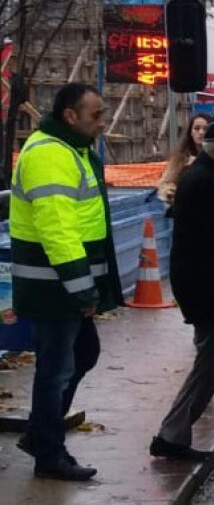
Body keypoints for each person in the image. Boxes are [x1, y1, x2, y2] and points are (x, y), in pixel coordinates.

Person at [11, 83, 123, 481]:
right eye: (96, 114)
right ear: (71, 116)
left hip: (63, 285)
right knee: (56, 369)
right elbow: (57, 228)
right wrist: (82, 288)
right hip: (54, 287)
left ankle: (41, 433)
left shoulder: (72, 151)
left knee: (82, 353)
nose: (102, 121)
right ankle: (49, 454)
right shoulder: (49, 154)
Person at [150, 114, 214, 461]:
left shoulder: (213, 176)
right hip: (211, 292)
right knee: (210, 365)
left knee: (212, 364)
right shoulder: (207, 181)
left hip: (210, 289)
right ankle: (171, 436)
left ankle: (172, 434)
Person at [157, 112, 211, 204]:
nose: (201, 132)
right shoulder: (180, 158)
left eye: (205, 129)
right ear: (190, 132)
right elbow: (166, 183)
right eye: (197, 128)